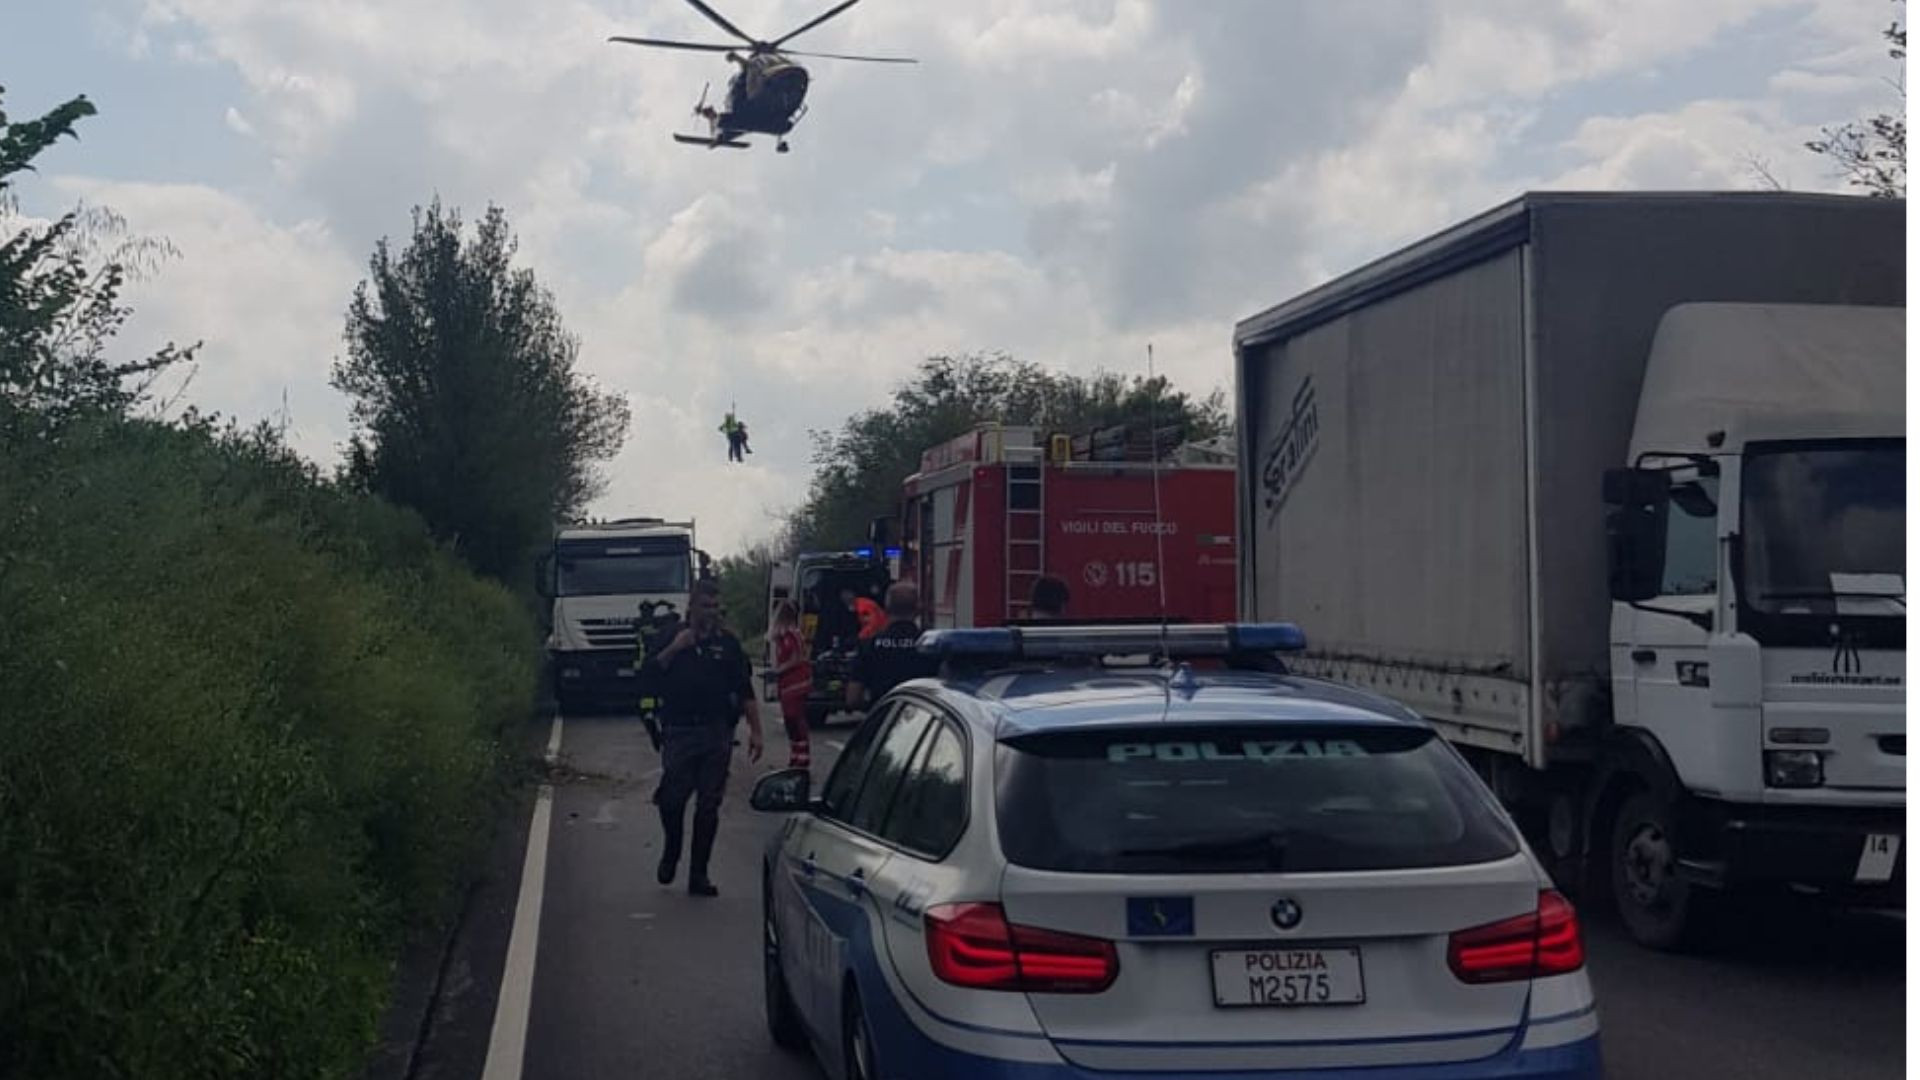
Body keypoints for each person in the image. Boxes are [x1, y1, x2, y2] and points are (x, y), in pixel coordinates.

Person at [649, 578, 764, 897]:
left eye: (715, 607)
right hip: (679, 729)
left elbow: (744, 689)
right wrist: (675, 649)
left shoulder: (727, 644)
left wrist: (755, 730)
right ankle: (672, 850)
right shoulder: (670, 637)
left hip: (717, 731)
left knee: (709, 805)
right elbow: (648, 676)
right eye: (705, 606)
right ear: (691, 605)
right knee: (672, 799)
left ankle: (699, 874)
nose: (711, 613)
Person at [846, 582, 940, 712]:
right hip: (921, 720)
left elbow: (853, 699)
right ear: (918, 609)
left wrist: (875, 708)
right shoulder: (932, 646)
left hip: (883, 721)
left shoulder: (869, 646)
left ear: (886, 609)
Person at [768, 600, 813, 770]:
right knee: (790, 720)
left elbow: (797, 658)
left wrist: (778, 671)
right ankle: (796, 755)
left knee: (795, 718)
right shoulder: (784, 636)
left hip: (796, 682)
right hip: (788, 683)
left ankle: (802, 757)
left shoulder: (792, 635)